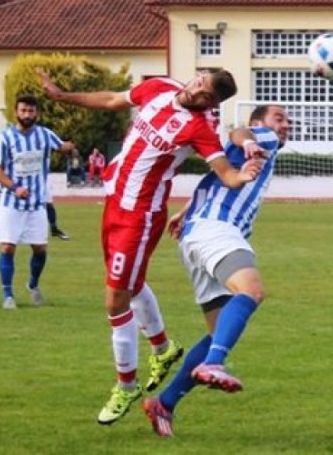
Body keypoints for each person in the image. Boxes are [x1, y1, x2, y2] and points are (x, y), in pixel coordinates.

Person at [36, 67, 265, 426]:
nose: (198, 92)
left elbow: (225, 172)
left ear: (213, 104)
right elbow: (113, 99)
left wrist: (242, 176)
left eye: (207, 96)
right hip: (114, 199)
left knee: (115, 298)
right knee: (129, 282)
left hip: (140, 215)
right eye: (199, 83)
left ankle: (126, 385)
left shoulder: (199, 127)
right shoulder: (158, 88)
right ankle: (163, 347)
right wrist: (62, 96)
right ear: (196, 76)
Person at [142, 104, 291, 438]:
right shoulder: (259, 139)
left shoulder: (240, 157)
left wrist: (186, 210)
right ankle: (213, 364)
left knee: (217, 332)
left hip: (197, 235)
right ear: (260, 124)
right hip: (217, 231)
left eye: (288, 121)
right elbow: (239, 132)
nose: (285, 126)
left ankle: (163, 403)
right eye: (279, 119)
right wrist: (250, 141)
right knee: (251, 291)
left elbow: (214, 179)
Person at [0, 94, 75, 310]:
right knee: (8, 248)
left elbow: (62, 145)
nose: (27, 115)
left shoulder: (44, 135)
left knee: (40, 250)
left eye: (31, 111)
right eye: (23, 111)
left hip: (37, 205)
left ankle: (33, 284)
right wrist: (14, 187)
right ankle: (8, 295)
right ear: (16, 112)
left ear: (36, 113)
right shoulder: (4, 138)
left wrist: (70, 146)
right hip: (11, 204)